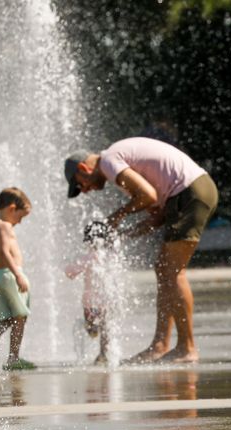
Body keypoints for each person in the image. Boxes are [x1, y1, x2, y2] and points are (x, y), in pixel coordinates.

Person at [64, 137, 218, 364]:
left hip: (190, 192)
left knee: (173, 271)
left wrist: (115, 218)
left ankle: (187, 347)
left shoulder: (108, 161)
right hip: (191, 191)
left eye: (80, 184)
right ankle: (160, 345)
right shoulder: (118, 160)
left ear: (83, 168)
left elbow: (148, 196)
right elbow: (156, 216)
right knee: (164, 268)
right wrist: (121, 236)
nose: (84, 191)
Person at [0, 187, 34, 370]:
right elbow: (6, 253)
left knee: (5, 319)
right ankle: (13, 359)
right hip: (10, 275)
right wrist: (18, 274)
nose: (19, 222)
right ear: (11, 209)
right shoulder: (4, 226)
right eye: (21, 217)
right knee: (20, 317)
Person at [64, 221, 114, 365]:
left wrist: (67, 268)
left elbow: (70, 272)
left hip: (89, 301)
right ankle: (103, 354)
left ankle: (91, 328)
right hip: (107, 298)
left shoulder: (87, 257)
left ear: (87, 240)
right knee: (106, 325)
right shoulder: (109, 256)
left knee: (91, 324)